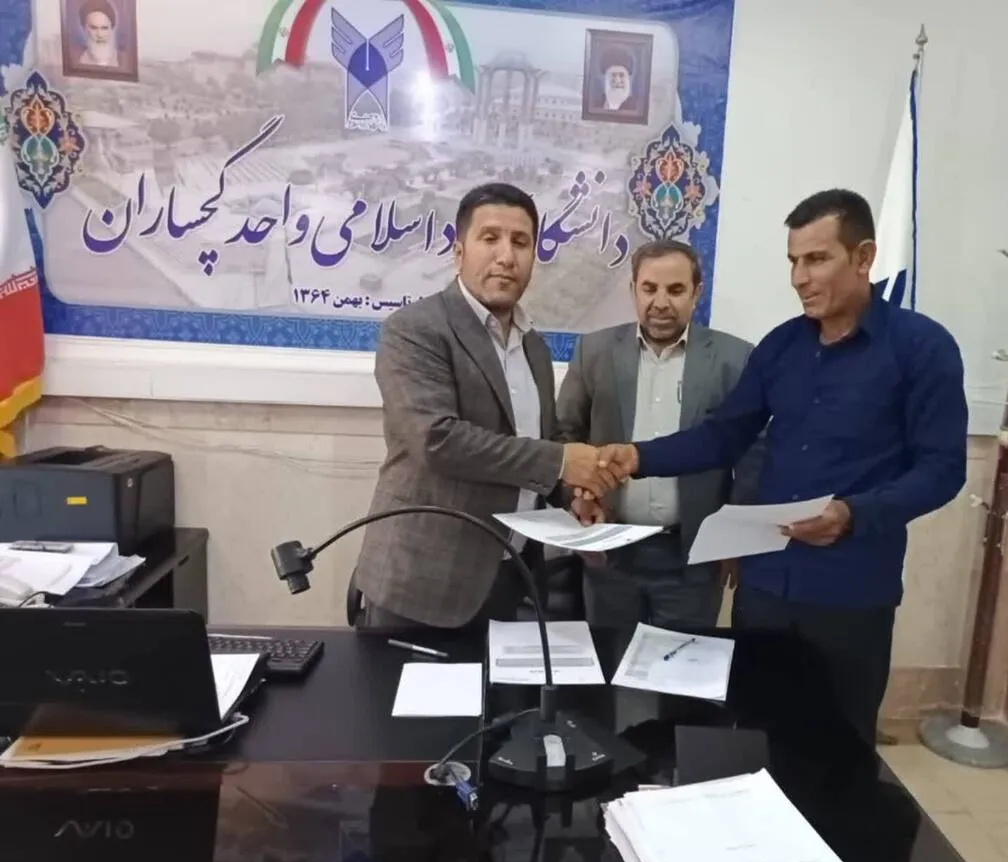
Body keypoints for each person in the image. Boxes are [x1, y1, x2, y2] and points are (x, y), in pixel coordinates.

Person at [587, 189, 968, 743]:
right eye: (793, 261)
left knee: (838, 748)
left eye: (817, 259)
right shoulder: (781, 347)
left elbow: (943, 469)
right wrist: (639, 457)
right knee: (754, 737)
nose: (799, 278)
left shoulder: (922, 348)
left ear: (864, 257)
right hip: (765, 589)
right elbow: (724, 436)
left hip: (851, 591)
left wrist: (854, 514)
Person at [354, 182, 617, 630]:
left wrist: (573, 497)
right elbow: (437, 440)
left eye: (521, 242)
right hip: (424, 582)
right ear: (459, 252)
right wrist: (561, 461)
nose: (506, 256)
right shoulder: (414, 329)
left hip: (512, 576)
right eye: (490, 238)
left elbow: (536, 440)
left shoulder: (533, 345)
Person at [557, 239, 760, 629]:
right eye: (649, 289)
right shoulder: (594, 352)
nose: (661, 303)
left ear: (697, 293)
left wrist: (735, 536)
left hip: (692, 559)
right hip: (608, 550)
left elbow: (752, 453)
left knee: (680, 664)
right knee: (609, 660)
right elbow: (565, 433)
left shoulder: (735, 359)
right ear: (633, 290)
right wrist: (578, 498)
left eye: (676, 289)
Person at [75, 0, 129, 69]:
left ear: (111, 29)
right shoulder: (76, 58)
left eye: (104, 28)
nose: (100, 35)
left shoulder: (125, 60)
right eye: (94, 28)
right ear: (84, 29)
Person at [596, 45, 637, 112]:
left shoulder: (634, 108)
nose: (617, 80)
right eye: (613, 75)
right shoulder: (597, 106)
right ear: (605, 79)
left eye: (621, 75)